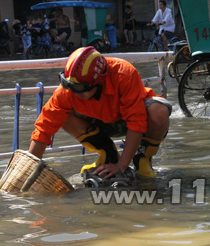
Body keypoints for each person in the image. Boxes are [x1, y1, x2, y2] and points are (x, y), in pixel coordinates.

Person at [28, 46, 171, 180]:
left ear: (99, 81)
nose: (74, 93)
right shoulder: (67, 89)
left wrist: (121, 167)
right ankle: (107, 154)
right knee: (61, 116)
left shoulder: (124, 74)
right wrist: (28, 171)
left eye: (80, 89)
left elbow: (136, 122)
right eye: (70, 87)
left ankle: (143, 160)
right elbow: (43, 129)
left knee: (159, 110)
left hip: (126, 121)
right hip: (97, 123)